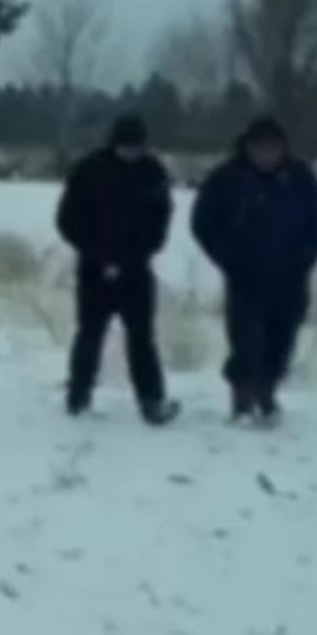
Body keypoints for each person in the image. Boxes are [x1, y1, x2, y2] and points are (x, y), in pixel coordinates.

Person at [192, 116, 317, 425]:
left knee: (281, 337)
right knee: (246, 338)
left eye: (273, 148)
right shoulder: (227, 178)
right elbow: (202, 222)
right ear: (248, 148)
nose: (266, 155)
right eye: (260, 148)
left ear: (283, 149)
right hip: (245, 274)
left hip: (290, 275)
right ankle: (242, 397)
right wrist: (225, 256)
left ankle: (266, 391)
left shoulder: (300, 178)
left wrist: (306, 257)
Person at [56, 115, 180, 426]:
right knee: (89, 334)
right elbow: (68, 219)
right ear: (115, 143)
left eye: (138, 146)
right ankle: (78, 397)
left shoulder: (153, 172)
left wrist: (137, 254)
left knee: (141, 338)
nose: (132, 152)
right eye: (127, 146)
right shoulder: (89, 170)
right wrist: (97, 254)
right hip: (93, 268)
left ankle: (152, 401)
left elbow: (160, 219)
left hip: (136, 269)